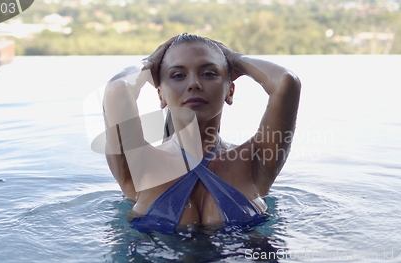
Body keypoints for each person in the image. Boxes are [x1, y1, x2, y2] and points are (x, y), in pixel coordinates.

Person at [103, 33, 301, 234]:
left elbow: (286, 82)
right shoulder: (142, 166)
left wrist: (235, 59)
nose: (194, 84)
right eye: (178, 75)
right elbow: (117, 89)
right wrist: (149, 63)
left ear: (230, 92)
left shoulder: (255, 162)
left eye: (208, 73)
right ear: (161, 95)